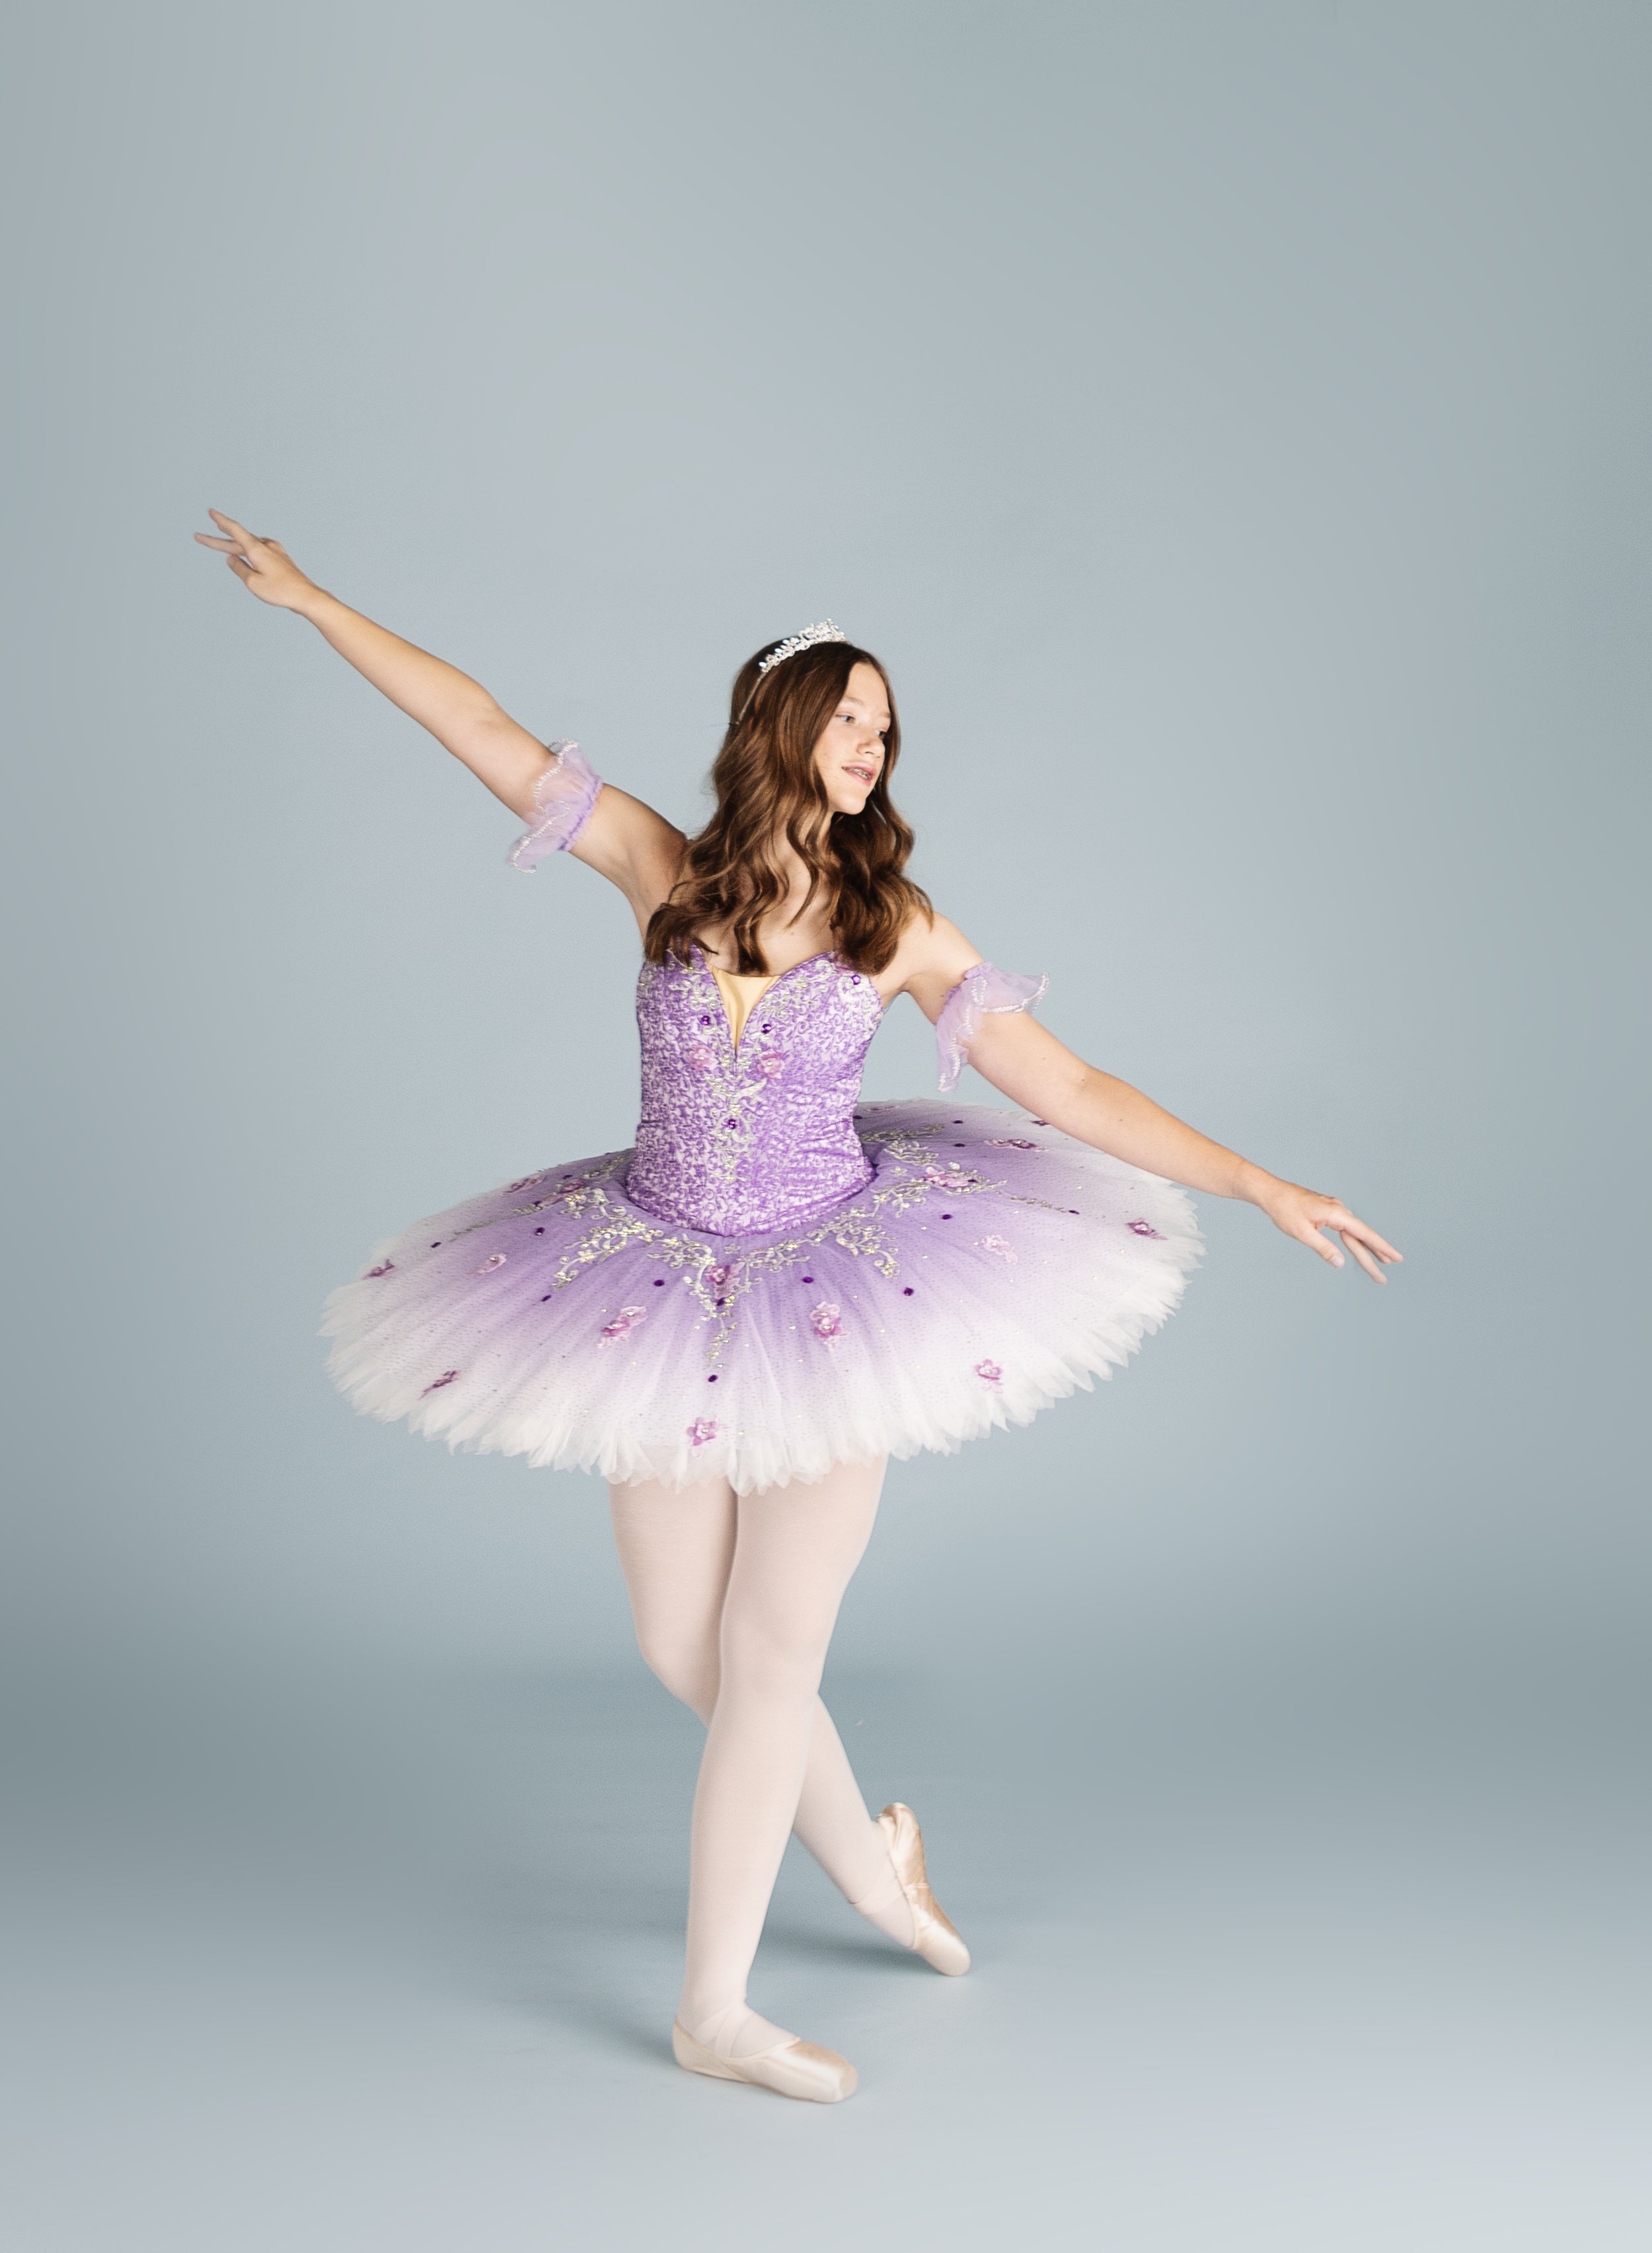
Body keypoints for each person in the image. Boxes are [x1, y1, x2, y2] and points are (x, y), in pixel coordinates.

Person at [195, 509, 1401, 2104]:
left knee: (768, 1652)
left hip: (839, 1287)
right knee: (677, 1646)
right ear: (783, 720)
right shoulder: (657, 872)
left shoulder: (887, 922)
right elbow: (473, 726)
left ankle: (715, 2005)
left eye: (886, 730)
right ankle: (880, 1868)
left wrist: (1258, 1183)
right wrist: (311, 602)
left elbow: (1068, 1081)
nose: (870, 746)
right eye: (848, 716)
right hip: (646, 1271)